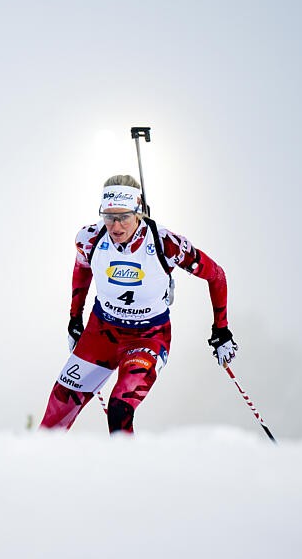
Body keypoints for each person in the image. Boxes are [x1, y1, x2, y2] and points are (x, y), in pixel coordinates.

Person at [39, 174, 237, 434]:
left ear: (138, 212)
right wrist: (75, 319)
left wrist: (221, 329)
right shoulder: (90, 238)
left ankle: (127, 460)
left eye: (124, 217)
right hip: (101, 335)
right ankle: (35, 459)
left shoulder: (166, 243)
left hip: (148, 337)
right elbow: (82, 271)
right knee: (55, 413)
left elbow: (216, 275)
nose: (116, 226)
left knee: (119, 407)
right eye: (109, 217)